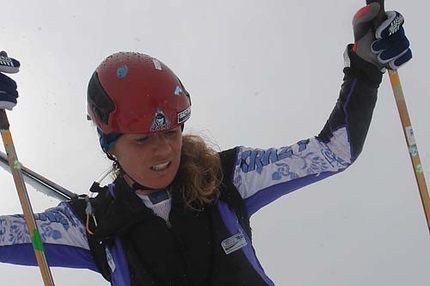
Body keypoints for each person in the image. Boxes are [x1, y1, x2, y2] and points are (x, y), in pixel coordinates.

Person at [0, 3, 412, 286]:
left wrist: (365, 65)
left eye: (172, 132)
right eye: (143, 139)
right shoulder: (91, 225)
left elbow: (332, 152)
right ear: (109, 142)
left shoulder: (228, 177)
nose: (163, 152)